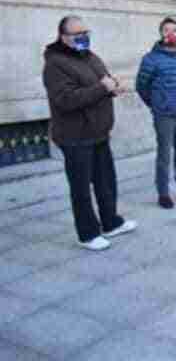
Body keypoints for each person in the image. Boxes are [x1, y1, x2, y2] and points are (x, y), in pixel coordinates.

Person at [43, 15, 137, 251]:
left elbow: (102, 83)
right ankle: (87, 234)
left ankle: (111, 223)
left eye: (86, 32)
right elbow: (65, 100)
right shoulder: (55, 63)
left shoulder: (91, 56)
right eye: (77, 34)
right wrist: (101, 88)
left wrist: (113, 87)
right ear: (63, 37)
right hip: (75, 136)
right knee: (81, 188)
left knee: (106, 182)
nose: (83, 37)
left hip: (99, 131)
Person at [136, 17, 176, 210]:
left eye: (175, 30)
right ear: (161, 33)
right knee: (164, 154)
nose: (171, 33)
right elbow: (141, 86)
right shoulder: (150, 59)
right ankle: (163, 193)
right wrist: (156, 104)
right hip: (164, 114)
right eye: (166, 30)